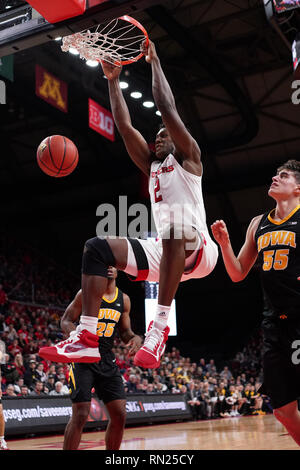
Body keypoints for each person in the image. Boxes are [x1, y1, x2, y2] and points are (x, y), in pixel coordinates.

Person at [39, 39, 218, 369]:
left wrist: (155, 63)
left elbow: (166, 106)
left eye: (165, 134)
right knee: (96, 248)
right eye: (158, 135)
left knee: (176, 225)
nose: (159, 137)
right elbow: (124, 126)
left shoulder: (190, 158)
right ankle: (86, 337)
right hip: (166, 251)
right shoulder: (151, 166)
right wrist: (111, 81)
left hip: (200, 249)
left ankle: (159, 329)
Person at [211, 159, 300, 446]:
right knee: (283, 411)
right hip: (274, 324)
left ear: (298, 188)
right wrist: (224, 244)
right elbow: (237, 273)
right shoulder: (256, 223)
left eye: (283, 176)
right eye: (275, 174)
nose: (275, 178)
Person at [51, 267, 141, 450]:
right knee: (81, 414)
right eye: (105, 264)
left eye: (113, 265)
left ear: (118, 270)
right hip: (84, 356)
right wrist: (75, 334)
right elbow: (66, 320)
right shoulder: (85, 293)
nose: (109, 268)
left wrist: (135, 338)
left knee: (119, 414)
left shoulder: (123, 299)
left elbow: (124, 331)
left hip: (107, 358)